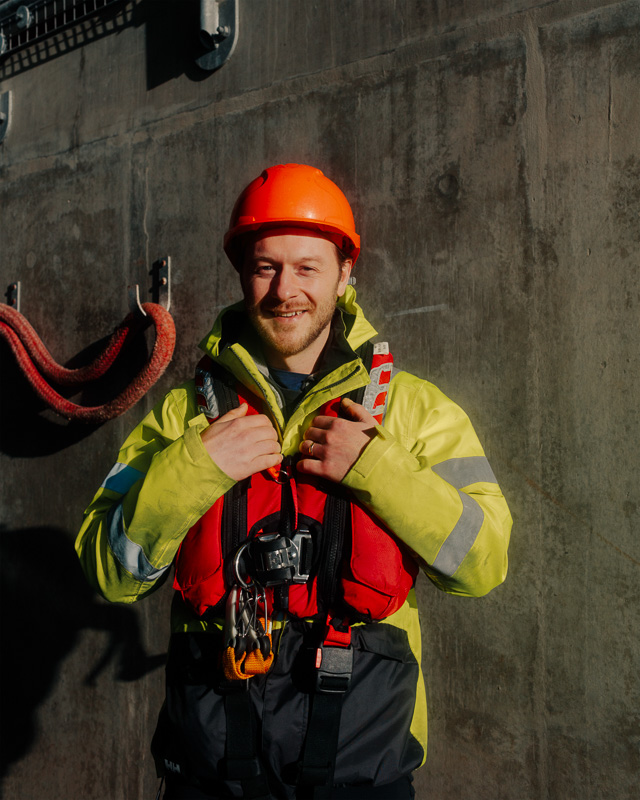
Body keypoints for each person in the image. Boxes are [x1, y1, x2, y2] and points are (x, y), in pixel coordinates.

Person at [76, 163, 512, 800]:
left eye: (308, 267)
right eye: (266, 267)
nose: (286, 290)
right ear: (242, 275)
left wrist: (380, 471)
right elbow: (106, 572)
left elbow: (484, 564)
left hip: (362, 767)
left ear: (345, 273)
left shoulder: (415, 412)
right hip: (212, 771)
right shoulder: (183, 417)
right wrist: (195, 468)